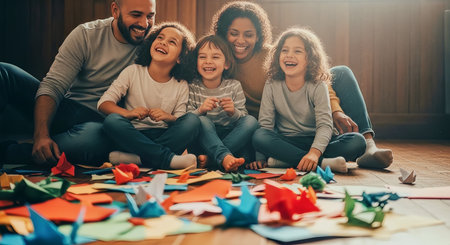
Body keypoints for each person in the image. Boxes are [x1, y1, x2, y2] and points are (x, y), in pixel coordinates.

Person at [211, 1, 393, 169]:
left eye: (248, 35)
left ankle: (368, 146)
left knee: (342, 72)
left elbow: (316, 78)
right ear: (223, 33)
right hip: (268, 129)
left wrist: (335, 109)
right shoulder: (216, 59)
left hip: (306, 119)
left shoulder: (273, 58)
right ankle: (320, 161)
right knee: (259, 135)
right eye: (234, 33)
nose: (240, 41)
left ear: (258, 36)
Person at [0, 0, 156, 166]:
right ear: (115, 10)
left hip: (102, 124)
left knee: (93, 140)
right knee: (4, 72)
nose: (144, 24)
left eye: (150, 16)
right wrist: (41, 135)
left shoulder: (156, 43)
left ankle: (13, 153)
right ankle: (42, 143)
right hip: (67, 109)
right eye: (136, 15)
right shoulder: (86, 35)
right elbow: (53, 85)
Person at [252, 27, 366, 173]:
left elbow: (325, 125)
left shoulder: (318, 85)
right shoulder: (272, 84)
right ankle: (323, 163)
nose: (289, 55)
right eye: (284, 50)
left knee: (357, 142)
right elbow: (266, 124)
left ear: (311, 58)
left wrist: (315, 152)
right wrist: (260, 158)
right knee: (259, 136)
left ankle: (285, 160)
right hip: (288, 141)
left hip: (319, 141)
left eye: (297, 51)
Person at [98, 22, 199, 169]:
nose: (163, 42)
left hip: (165, 136)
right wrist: (128, 114)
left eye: (172, 42)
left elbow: (179, 119)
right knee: (112, 120)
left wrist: (167, 116)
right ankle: (167, 159)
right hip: (133, 137)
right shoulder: (133, 72)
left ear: (180, 58)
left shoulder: (181, 84)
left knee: (192, 121)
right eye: (160, 38)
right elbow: (103, 103)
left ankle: (138, 159)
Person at [186, 35, 258, 172]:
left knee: (251, 121)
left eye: (215, 57)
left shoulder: (234, 86)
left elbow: (243, 116)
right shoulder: (192, 87)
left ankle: (212, 159)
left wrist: (233, 112)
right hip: (204, 139)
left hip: (230, 136)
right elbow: (187, 119)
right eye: (202, 57)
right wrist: (200, 110)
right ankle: (224, 157)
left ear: (227, 64)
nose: (208, 62)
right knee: (202, 121)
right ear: (196, 62)